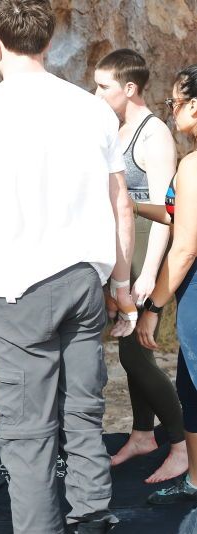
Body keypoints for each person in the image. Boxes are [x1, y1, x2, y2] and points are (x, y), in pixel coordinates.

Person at [0, 1, 136, 533]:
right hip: (84, 282)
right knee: (84, 412)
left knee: (28, 432)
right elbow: (120, 204)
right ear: (49, 44)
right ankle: (92, 518)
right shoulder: (94, 110)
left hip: (18, 293)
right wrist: (122, 285)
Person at [93, 49, 187, 483]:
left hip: (148, 250)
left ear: (130, 88)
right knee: (131, 352)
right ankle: (142, 434)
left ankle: (181, 444)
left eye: (104, 86)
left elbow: (167, 214)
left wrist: (148, 274)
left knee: (134, 353)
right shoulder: (116, 127)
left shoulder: (154, 136)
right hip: (124, 251)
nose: (96, 94)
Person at [134, 65, 197, 505]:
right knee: (190, 387)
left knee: (193, 386)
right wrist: (135, 206)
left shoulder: (193, 167)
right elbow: (177, 214)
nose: (171, 111)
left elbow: (185, 248)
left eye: (174, 102)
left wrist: (153, 308)